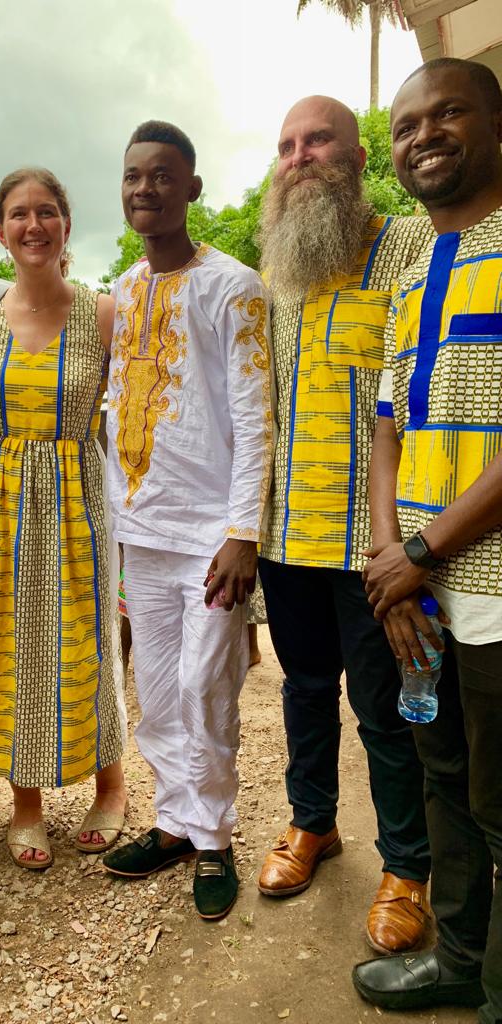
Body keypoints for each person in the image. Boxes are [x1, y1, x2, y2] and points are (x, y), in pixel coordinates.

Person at [254, 94, 434, 953]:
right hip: (287, 534)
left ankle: (407, 867)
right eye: (288, 145)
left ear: (358, 158)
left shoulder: (409, 248)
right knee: (302, 691)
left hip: (374, 544)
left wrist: (407, 543)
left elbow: (417, 403)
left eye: (318, 140)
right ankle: (312, 823)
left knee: (387, 710)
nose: (300, 157)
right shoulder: (278, 274)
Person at [354, 58, 502, 1021]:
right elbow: (386, 433)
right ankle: (458, 959)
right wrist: (390, 565)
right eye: (406, 126)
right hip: (420, 595)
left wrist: (423, 553)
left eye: (448, 113)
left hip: (492, 591)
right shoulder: (410, 283)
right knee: (442, 778)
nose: (423, 136)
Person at [101, 121, 273, 921]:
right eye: (134, 176)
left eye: (163, 176)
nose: (146, 188)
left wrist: (243, 532)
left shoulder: (233, 286)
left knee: (208, 686)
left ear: (192, 188)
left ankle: (214, 837)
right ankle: (176, 821)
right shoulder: (125, 289)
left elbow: (254, 415)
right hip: (142, 532)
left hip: (211, 536)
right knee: (159, 688)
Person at [0, 168, 127, 869]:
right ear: (0, 230)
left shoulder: (103, 313)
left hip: (76, 499)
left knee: (86, 641)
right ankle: (26, 805)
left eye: (46, 212)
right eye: (19, 214)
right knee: (8, 646)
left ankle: (112, 784)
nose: (33, 225)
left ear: (66, 225)